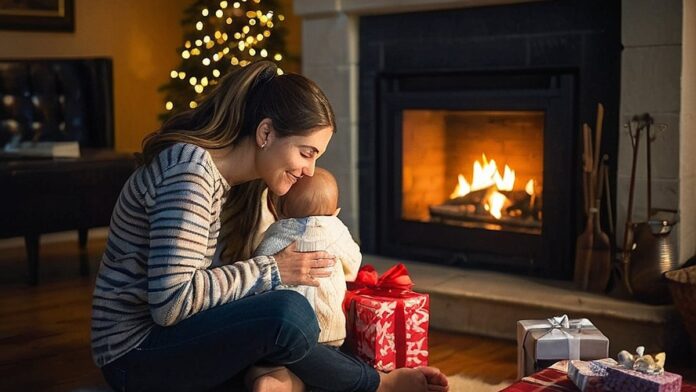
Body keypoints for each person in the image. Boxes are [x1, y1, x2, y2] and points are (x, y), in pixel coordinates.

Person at [90, 60, 449, 392]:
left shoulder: (224, 180)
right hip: (134, 357)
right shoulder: (191, 174)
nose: (310, 170)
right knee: (289, 315)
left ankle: (275, 377)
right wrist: (271, 270)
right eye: (306, 152)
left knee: (288, 317)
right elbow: (171, 303)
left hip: (168, 342)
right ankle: (377, 385)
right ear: (265, 133)